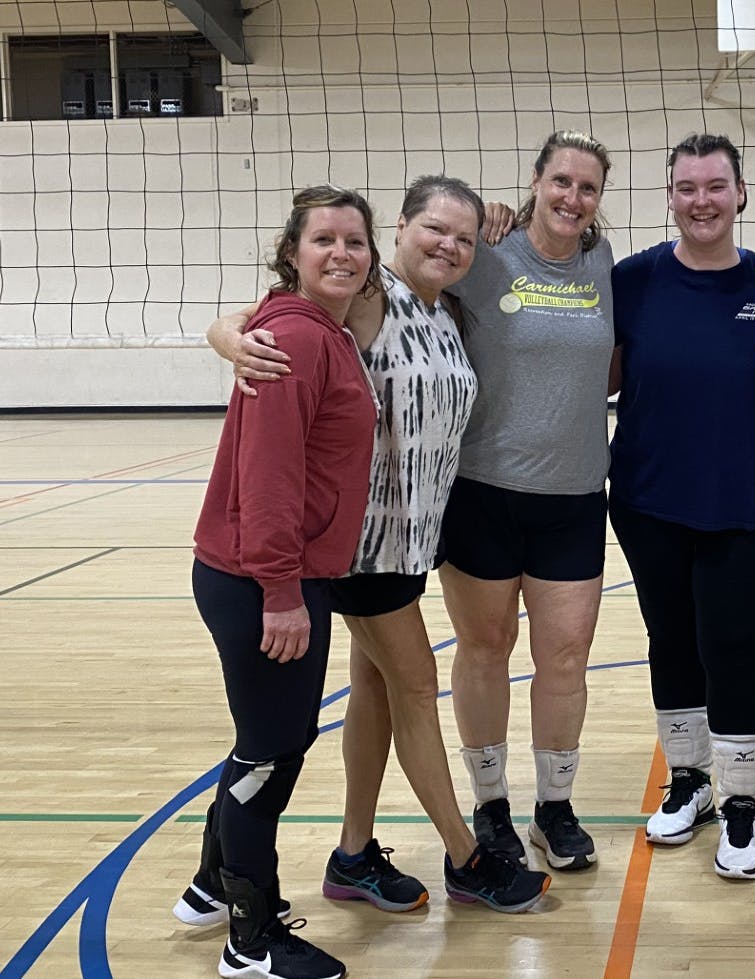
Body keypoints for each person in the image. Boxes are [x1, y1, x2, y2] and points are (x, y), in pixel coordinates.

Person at [182, 176, 551, 922]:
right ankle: (464, 856)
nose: (446, 245)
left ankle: (338, 856)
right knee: (416, 685)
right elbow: (263, 319)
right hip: (356, 546)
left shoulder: (447, 309)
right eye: (433, 230)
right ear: (402, 231)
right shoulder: (365, 293)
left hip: (410, 542)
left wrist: (508, 218)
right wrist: (227, 338)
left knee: (380, 690)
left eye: (463, 236)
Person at [187, 184, 380, 979]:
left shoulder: (305, 327)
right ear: (292, 253)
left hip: (283, 573)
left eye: (355, 242)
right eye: (324, 239)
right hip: (263, 579)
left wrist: (229, 328)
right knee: (272, 754)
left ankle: (208, 886)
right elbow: (267, 478)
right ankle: (250, 937)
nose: (341, 252)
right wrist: (279, 591)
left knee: (265, 743)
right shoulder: (295, 340)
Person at [607, 134, 755, 880]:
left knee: (736, 646)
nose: (701, 201)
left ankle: (743, 804)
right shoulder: (632, 281)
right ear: (669, 196)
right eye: (686, 187)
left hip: (746, 499)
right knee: (671, 640)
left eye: (715, 186)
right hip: (648, 497)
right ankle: (689, 780)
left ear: (741, 193)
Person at [439, 131, 615, 872]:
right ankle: (489, 806)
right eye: (561, 181)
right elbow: (395, 288)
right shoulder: (485, 252)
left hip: (573, 496)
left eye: (587, 187)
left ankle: (554, 806)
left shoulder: (603, 262)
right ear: (535, 181)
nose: (572, 197)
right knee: (485, 650)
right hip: (482, 492)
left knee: (565, 657)